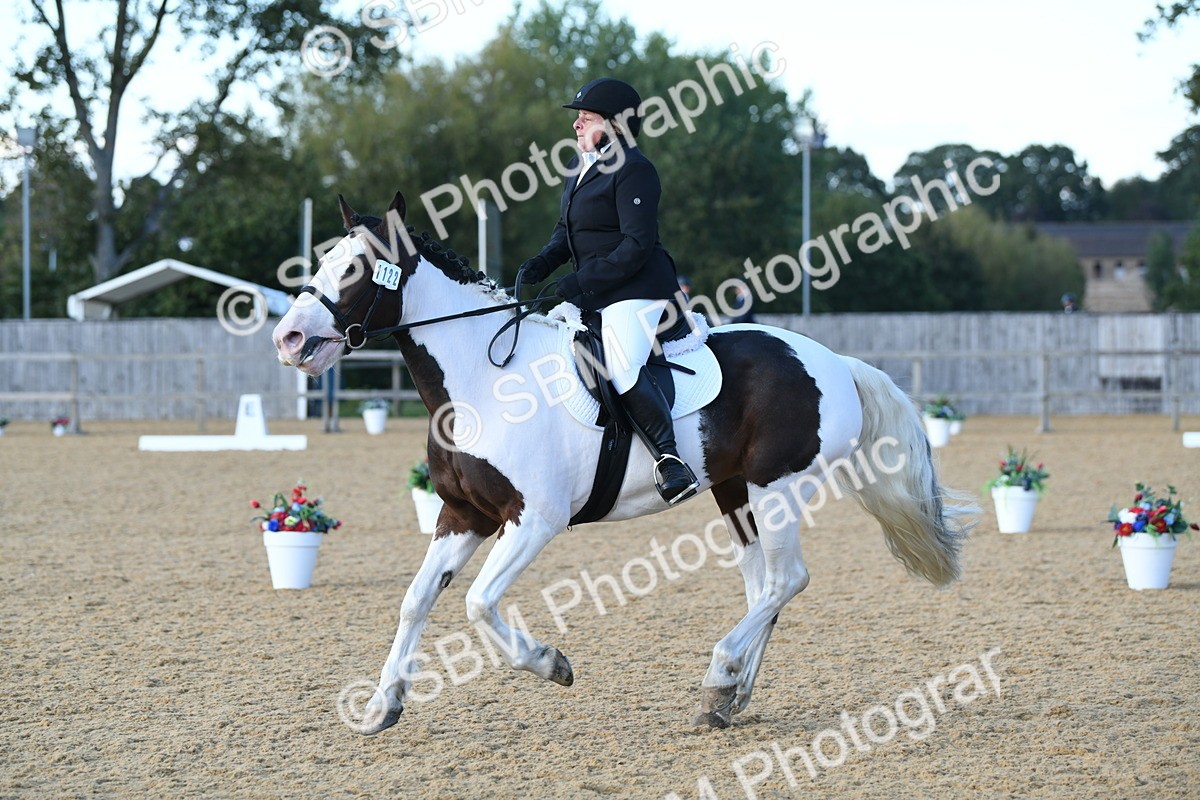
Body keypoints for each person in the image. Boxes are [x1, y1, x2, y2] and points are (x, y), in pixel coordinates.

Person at [518, 77, 699, 505]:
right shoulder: (580, 168)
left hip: (638, 290)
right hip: (597, 290)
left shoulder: (635, 169)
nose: (577, 125)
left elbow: (635, 245)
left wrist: (579, 281)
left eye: (586, 118)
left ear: (615, 125)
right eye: (578, 118)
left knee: (620, 362)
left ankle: (669, 460)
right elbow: (566, 232)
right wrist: (542, 262)